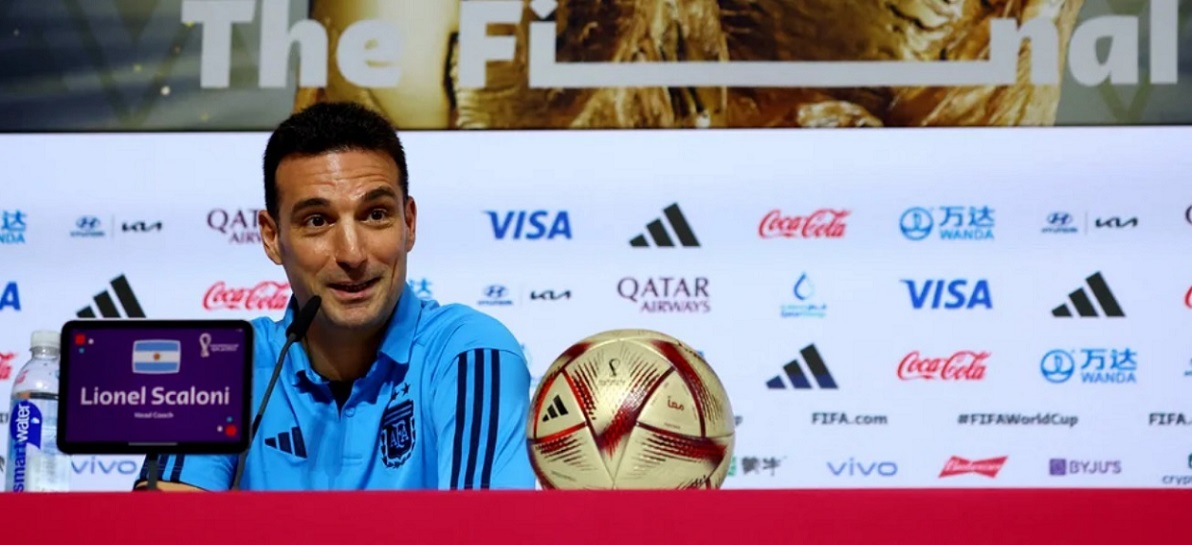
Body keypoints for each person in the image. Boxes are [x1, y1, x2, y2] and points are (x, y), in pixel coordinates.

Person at [133, 102, 535, 491]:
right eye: (317, 221)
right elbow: (163, 527)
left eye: (376, 214)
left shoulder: (471, 353)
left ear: (409, 223)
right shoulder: (218, 365)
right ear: (272, 238)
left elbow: (482, 528)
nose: (352, 254)